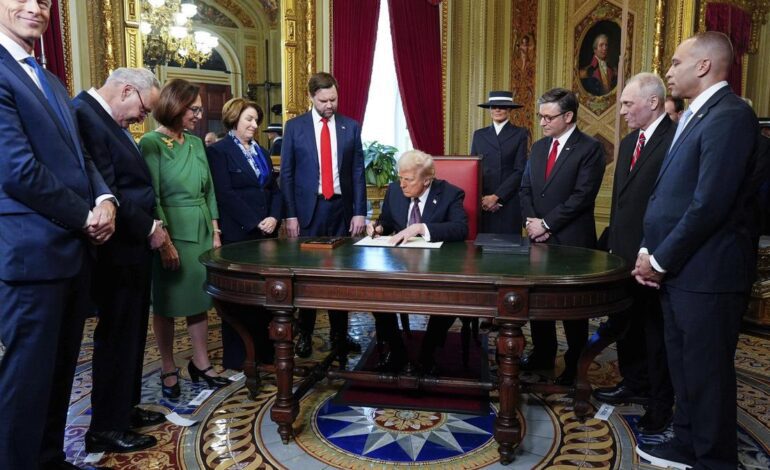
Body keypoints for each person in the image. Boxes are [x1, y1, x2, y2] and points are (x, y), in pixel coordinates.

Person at [633, 32, 759, 469]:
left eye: (675, 61)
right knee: (685, 368)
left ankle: (713, 458)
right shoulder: (694, 116)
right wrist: (650, 249)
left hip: (709, 274)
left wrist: (660, 259)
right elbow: (669, 197)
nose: (668, 70)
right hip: (682, 271)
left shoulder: (730, 116)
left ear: (703, 66)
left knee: (707, 374)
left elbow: (710, 204)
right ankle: (687, 443)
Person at [0, 1, 117, 468]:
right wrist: (85, 216)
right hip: (30, 254)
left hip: (71, 253)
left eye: (44, 0)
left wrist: (106, 198)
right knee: (24, 383)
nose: (36, 7)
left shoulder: (49, 79)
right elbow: (16, 170)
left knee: (60, 372)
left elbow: (82, 157)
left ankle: (49, 459)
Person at [72, 68, 167, 454]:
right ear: (128, 90)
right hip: (117, 249)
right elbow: (107, 190)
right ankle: (106, 426)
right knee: (116, 338)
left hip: (131, 248)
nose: (140, 119)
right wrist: (149, 228)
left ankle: (124, 410)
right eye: (143, 110)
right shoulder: (86, 115)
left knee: (131, 335)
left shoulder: (106, 119)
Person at [592, 73, 675, 435]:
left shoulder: (674, 141)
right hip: (624, 254)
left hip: (654, 257)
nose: (621, 110)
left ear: (653, 102)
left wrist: (651, 252)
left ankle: (660, 401)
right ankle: (633, 382)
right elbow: (621, 203)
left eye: (628, 103)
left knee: (656, 333)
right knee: (627, 325)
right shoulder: (627, 143)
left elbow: (670, 204)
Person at [140, 78, 229, 399]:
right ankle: (167, 366)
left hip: (202, 229)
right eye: (193, 109)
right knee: (166, 304)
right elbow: (154, 195)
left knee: (198, 301)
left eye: (199, 109)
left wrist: (216, 231)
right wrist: (164, 240)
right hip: (171, 231)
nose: (198, 114)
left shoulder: (195, 143)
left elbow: (209, 192)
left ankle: (201, 362)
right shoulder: (150, 143)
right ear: (175, 107)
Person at [519, 87, 605, 385]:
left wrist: (546, 224)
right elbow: (526, 188)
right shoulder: (540, 147)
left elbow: (582, 196)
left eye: (548, 117)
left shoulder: (590, 148)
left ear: (568, 116)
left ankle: (574, 365)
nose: (542, 122)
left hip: (571, 241)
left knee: (572, 309)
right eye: (540, 116)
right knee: (539, 301)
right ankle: (543, 353)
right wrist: (532, 222)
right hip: (537, 238)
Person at [280, 72, 367, 358]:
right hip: (308, 210)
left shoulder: (350, 127)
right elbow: (288, 175)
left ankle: (339, 336)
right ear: (311, 98)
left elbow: (357, 172)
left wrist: (359, 213)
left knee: (340, 279)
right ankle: (304, 334)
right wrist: (290, 215)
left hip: (341, 210)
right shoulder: (294, 128)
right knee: (306, 278)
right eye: (324, 100)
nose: (330, 105)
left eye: (334, 99)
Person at [367, 150, 468, 372]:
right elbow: (388, 220)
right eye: (400, 177)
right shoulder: (394, 191)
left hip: (438, 266)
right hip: (398, 264)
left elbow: (461, 228)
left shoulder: (450, 193)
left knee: (449, 297)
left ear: (427, 180)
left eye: (408, 180)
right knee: (375, 292)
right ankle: (397, 350)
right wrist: (378, 227)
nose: (402, 184)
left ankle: (428, 352)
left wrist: (421, 227)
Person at [207, 98, 282, 370]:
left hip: (266, 236)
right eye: (249, 119)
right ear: (234, 119)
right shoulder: (219, 151)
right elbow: (224, 194)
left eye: (256, 120)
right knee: (239, 299)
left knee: (263, 299)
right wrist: (255, 222)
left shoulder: (261, 151)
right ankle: (239, 359)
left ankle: (263, 354)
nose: (255, 125)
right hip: (240, 236)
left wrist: (274, 217)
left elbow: (273, 189)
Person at [471, 90, 528, 233]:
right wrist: (482, 199)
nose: (497, 109)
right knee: (481, 250)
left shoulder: (520, 133)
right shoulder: (479, 135)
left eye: (501, 106)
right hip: (483, 202)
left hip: (508, 201)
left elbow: (520, 170)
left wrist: (497, 197)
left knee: (508, 249)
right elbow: (473, 170)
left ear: (509, 109)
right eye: (493, 106)